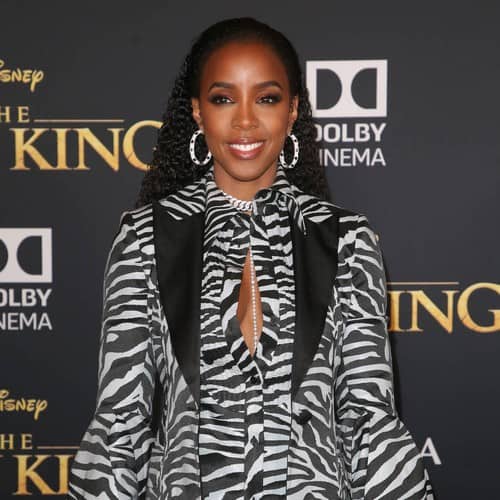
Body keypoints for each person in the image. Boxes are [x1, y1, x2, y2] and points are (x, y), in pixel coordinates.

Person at [68, 17, 434, 500]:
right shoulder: (145, 237)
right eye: (223, 99)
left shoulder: (346, 239)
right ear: (198, 112)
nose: (244, 121)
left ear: (293, 110)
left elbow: (370, 422)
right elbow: (120, 423)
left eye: (267, 98)